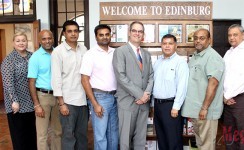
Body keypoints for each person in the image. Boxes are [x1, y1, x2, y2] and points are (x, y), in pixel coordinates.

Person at [112, 21, 154, 149]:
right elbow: (121, 76)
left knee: (140, 139)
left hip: (143, 104)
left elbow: (151, 76)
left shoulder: (146, 54)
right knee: (125, 139)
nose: (137, 33)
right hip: (127, 103)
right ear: (129, 33)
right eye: (134, 31)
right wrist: (140, 95)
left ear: (143, 35)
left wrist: (146, 94)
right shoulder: (120, 51)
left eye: (140, 31)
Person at [181, 29, 225, 150]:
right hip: (196, 111)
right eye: (195, 38)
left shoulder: (212, 57)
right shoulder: (196, 56)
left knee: (207, 146)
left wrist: (205, 108)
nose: (198, 41)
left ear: (209, 40)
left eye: (202, 38)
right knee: (200, 145)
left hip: (206, 112)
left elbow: (213, 84)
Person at [51, 20, 88, 149]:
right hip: (68, 101)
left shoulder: (84, 49)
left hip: (83, 100)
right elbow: (56, 78)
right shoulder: (58, 52)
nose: (73, 34)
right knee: (68, 136)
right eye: (69, 31)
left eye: (75, 31)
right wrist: (61, 103)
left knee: (82, 136)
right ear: (64, 33)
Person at [80, 24, 118, 150]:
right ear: (96, 37)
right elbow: (84, 79)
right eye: (101, 35)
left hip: (115, 97)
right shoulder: (90, 54)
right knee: (101, 136)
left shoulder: (115, 53)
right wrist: (94, 103)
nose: (104, 37)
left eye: (107, 34)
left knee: (113, 135)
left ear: (111, 36)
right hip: (100, 97)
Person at [1, 32, 37, 150]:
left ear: (27, 42)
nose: (21, 43)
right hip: (16, 103)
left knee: (31, 134)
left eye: (23, 40)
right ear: (13, 43)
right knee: (20, 136)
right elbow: (8, 83)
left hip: (31, 101)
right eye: (18, 40)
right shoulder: (9, 60)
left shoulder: (32, 56)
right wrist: (14, 101)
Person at [152, 34, 189, 150]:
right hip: (158, 106)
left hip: (171, 106)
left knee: (173, 140)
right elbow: (155, 84)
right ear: (161, 45)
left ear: (175, 46)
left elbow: (182, 86)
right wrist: (153, 104)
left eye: (170, 43)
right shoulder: (158, 62)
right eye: (164, 43)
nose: (167, 46)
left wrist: (176, 107)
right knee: (162, 139)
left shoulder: (180, 63)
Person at [28, 30, 62, 150]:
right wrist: (36, 105)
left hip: (58, 97)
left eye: (49, 38)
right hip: (43, 97)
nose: (47, 41)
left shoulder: (58, 53)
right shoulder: (35, 57)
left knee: (57, 132)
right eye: (44, 39)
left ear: (53, 38)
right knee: (42, 134)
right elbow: (31, 81)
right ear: (39, 40)